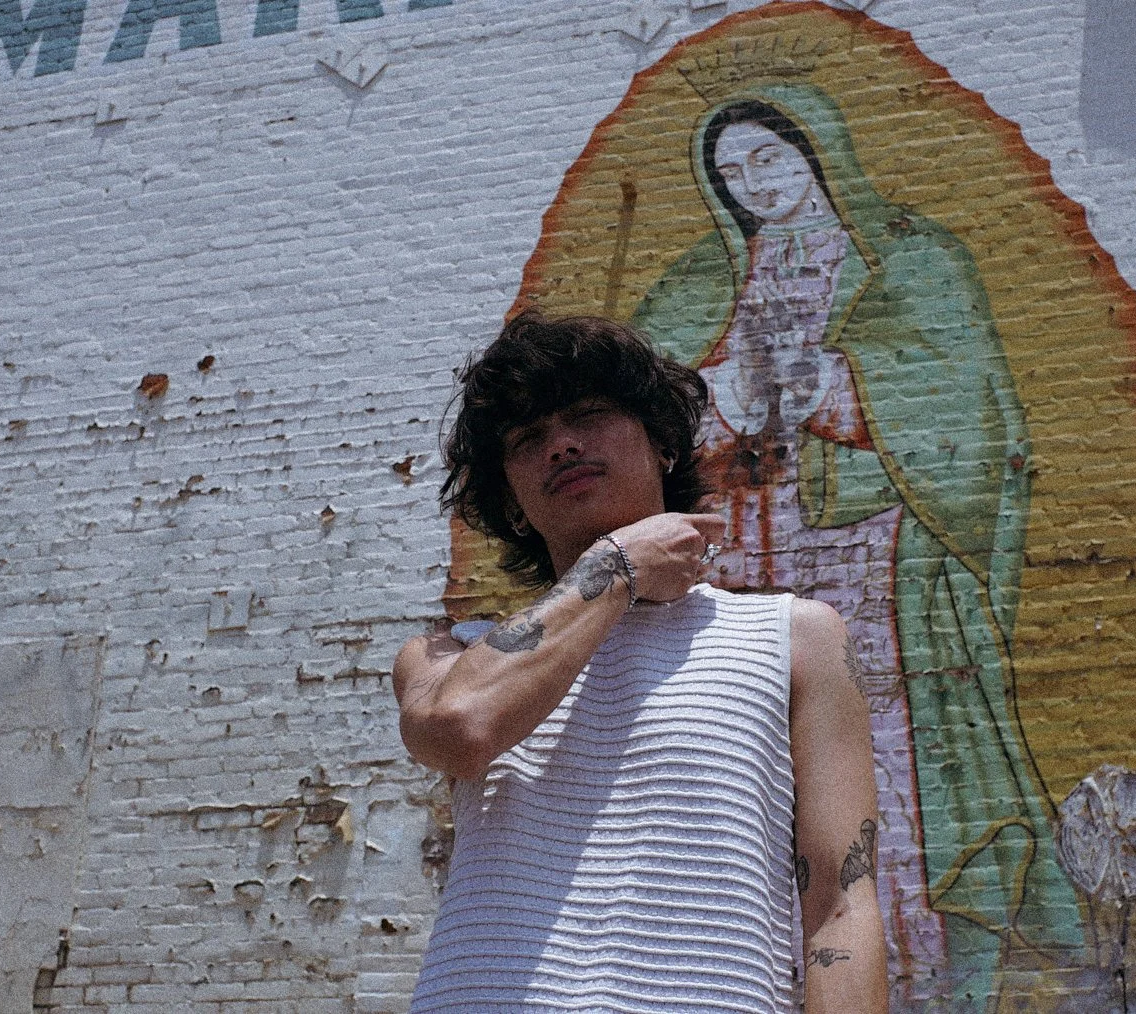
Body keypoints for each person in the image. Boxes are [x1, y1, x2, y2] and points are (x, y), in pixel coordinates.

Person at [628, 88, 1085, 1005]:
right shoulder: (696, 283)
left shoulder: (913, 261)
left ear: (820, 149)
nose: (754, 185)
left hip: (878, 569)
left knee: (883, 784)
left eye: (770, 159)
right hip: (732, 576)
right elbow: (642, 417)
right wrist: (717, 397)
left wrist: (833, 384)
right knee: (735, 787)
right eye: (732, 174)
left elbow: (969, 418)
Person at [395, 311, 888, 1013]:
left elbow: (841, 906)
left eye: (589, 415)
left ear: (662, 446)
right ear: (513, 502)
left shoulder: (794, 638)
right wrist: (618, 564)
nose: (561, 445)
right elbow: (460, 728)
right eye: (528, 439)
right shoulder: (449, 654)